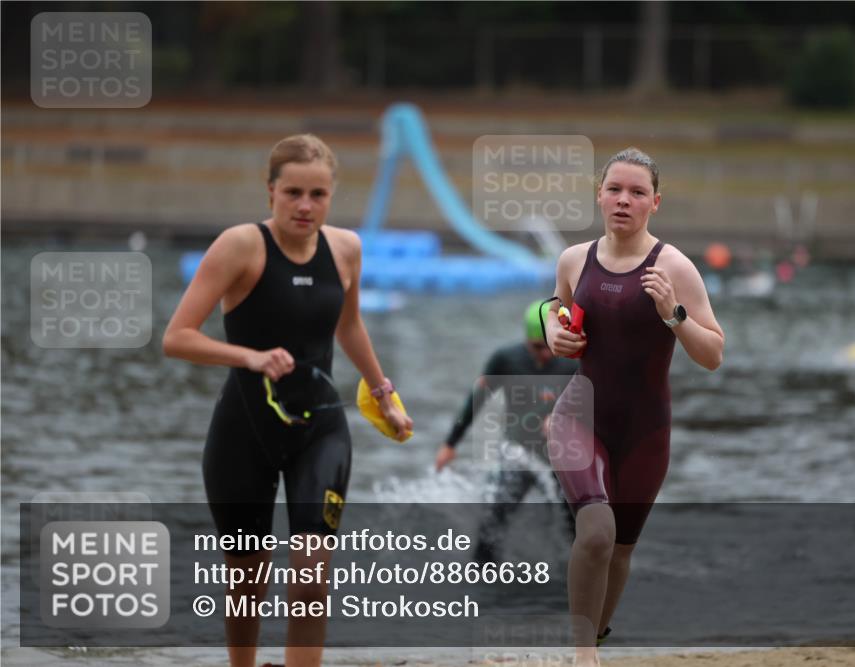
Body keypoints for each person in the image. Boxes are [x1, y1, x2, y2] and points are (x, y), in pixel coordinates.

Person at [163, 134, 412, 667]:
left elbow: (349, 326)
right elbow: (177, 337)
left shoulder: (345, 249)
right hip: (244, 430)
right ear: (271, 191)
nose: (305, 206)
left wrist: (384, 393)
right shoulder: (241, 246)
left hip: (321, 428)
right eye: (293, 192)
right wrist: (249, 357)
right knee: (247, 578)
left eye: (317, 194)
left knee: (311, 570)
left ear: (331, 195)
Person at [544, 148, 724, 666]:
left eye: (637, 192)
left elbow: (713, 354)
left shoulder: (674, 267)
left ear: (654, 203)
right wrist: (553, 328)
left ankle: (594, 640)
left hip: (646, 430)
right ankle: (583, 656)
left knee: (620, 548)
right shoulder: (574, 259)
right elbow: (552, 307)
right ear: (599, 196)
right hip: (579, 416)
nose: (624, 200)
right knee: (596, 533)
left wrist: (674, 314)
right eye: (615, 189)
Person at [434, 300, 578, 561]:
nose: (545, 354)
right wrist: (450, 444)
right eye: (537, 346)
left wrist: (563, 418)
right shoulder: (506, 360)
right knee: (493, 523)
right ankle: (483, 574)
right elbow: (476, 400)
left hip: (560, 459)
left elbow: (596, 408)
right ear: (526, 340)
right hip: (519, 456)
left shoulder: (573, 364)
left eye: (550, 346)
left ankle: (582, 574)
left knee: (576, 526)